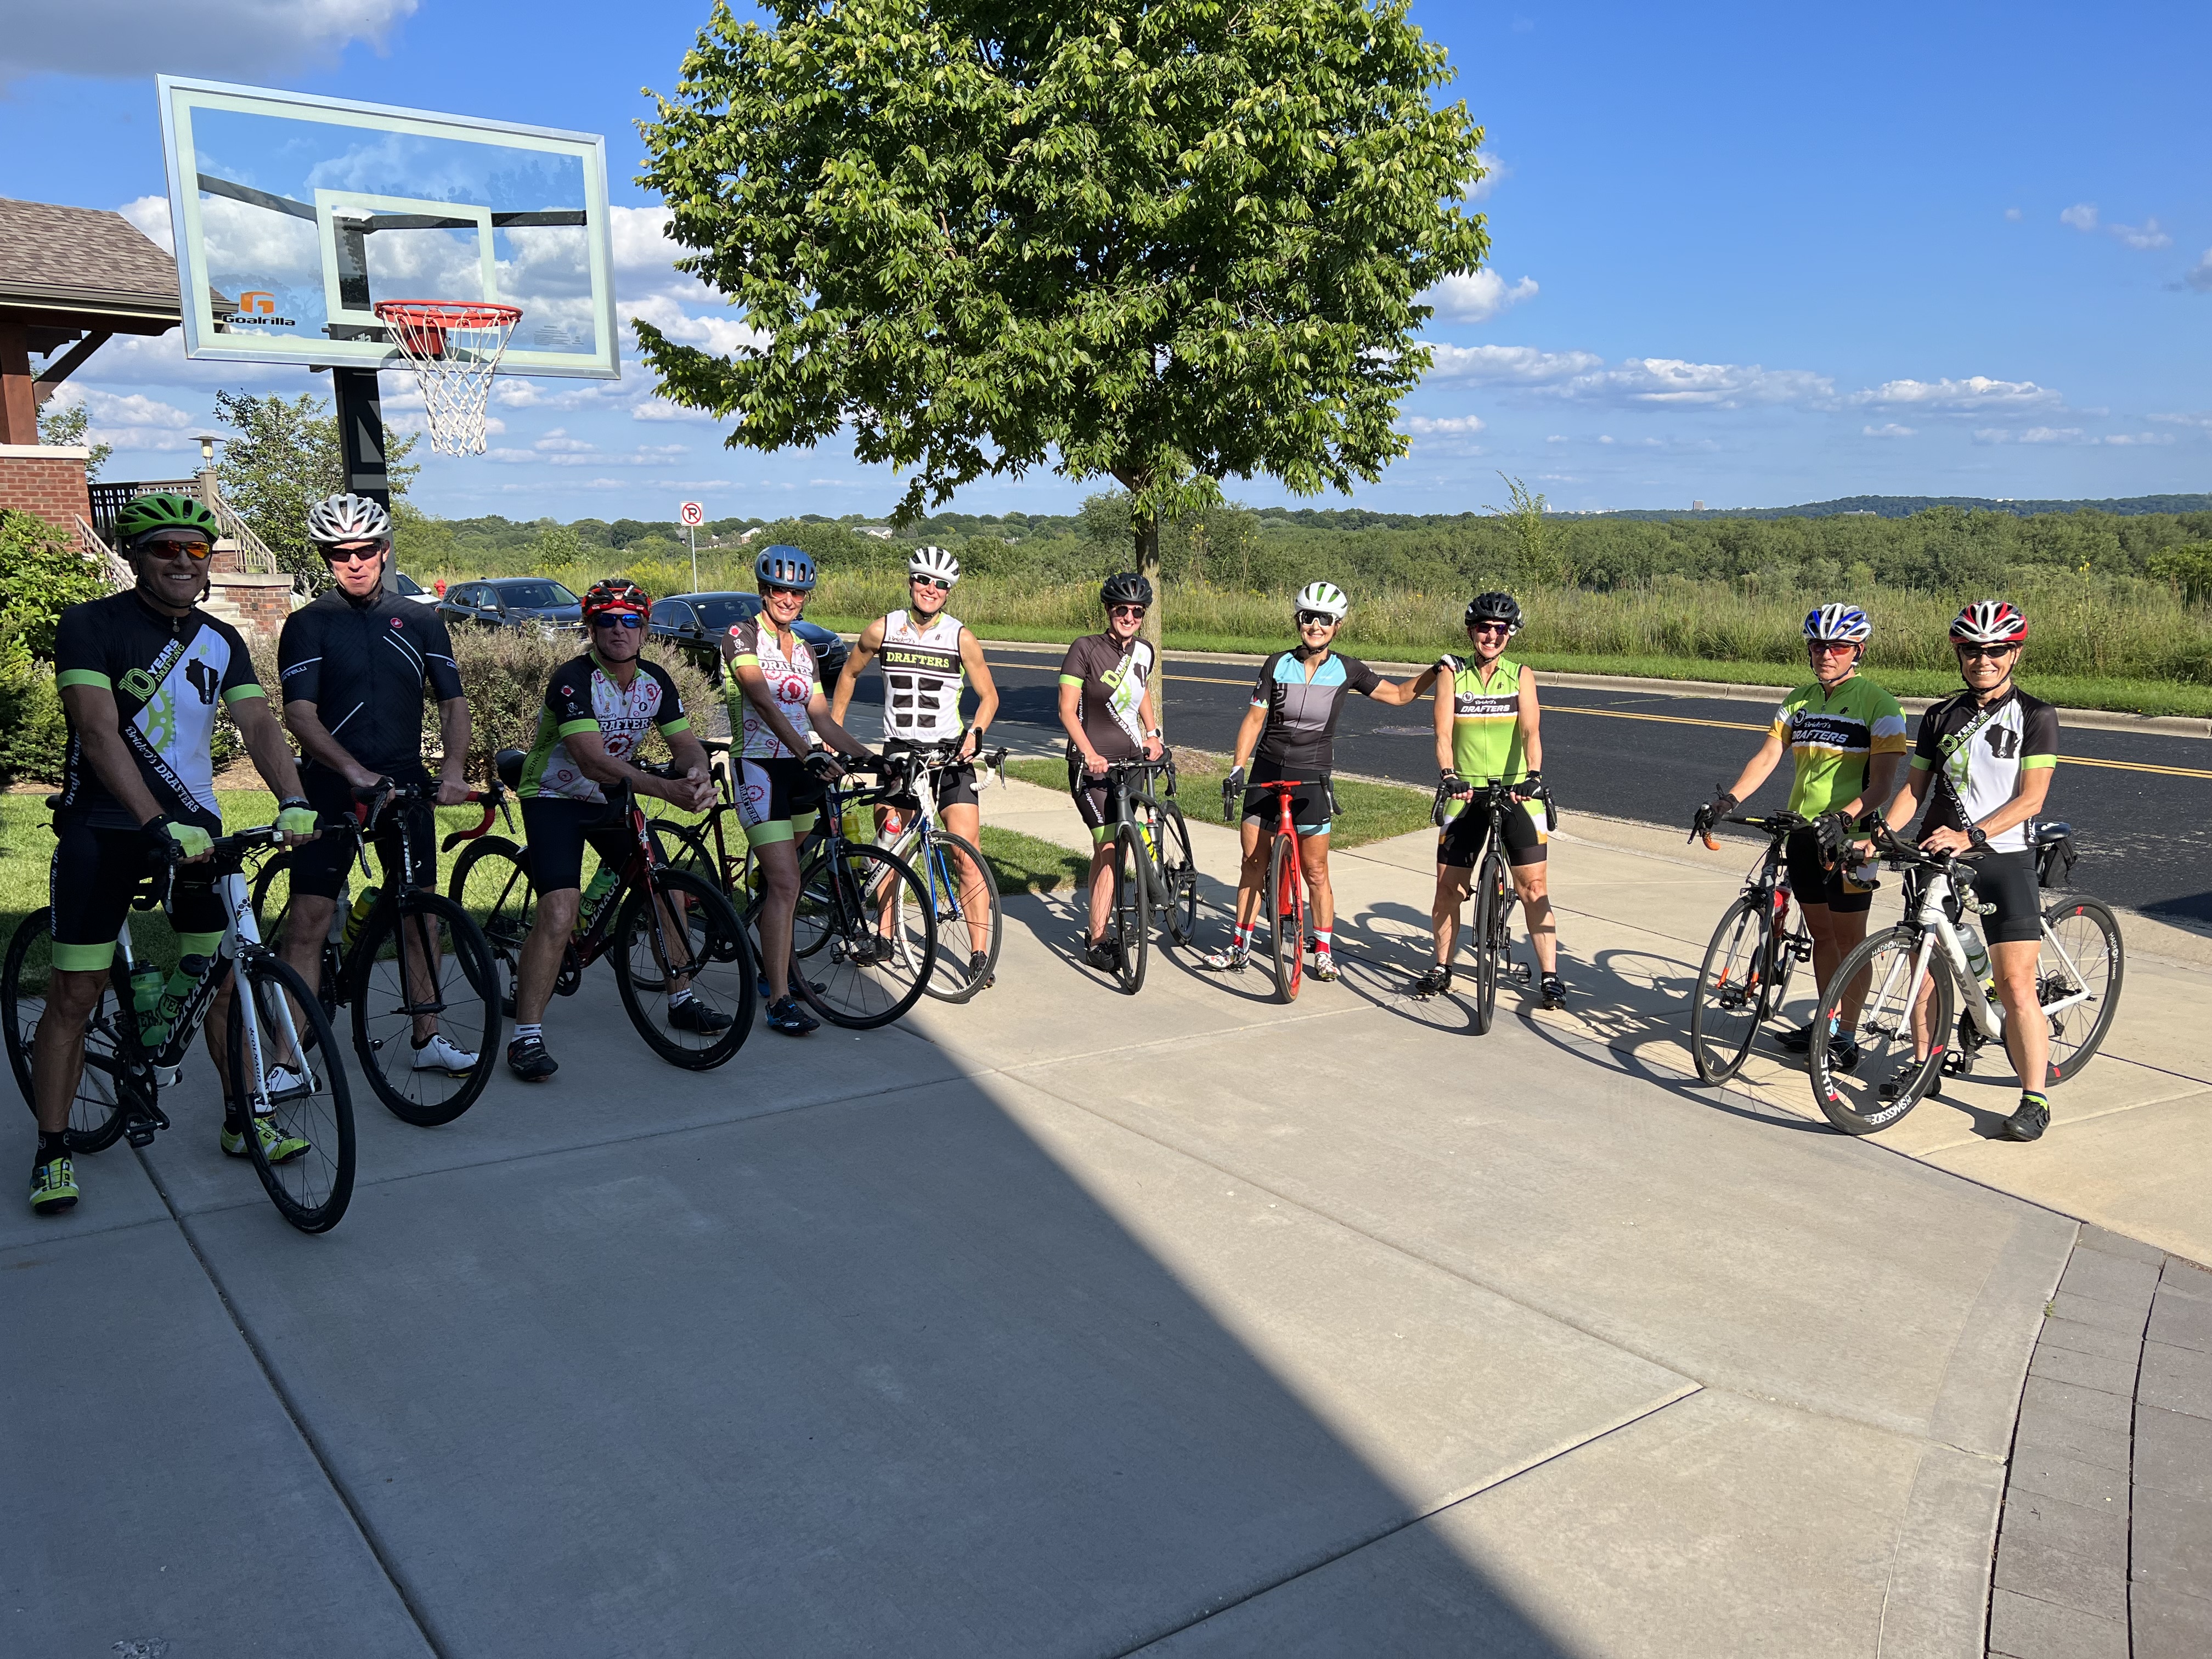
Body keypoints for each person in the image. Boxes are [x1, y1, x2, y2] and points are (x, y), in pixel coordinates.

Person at [28, 493, 319, 1216]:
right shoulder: (90, 625)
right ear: (135, 556)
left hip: (196, 831)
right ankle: (53, 1148)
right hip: (105, 828)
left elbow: (257, 722)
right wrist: (154, 821)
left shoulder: (221, 638)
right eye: (166, 548)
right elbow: (97, 731)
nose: (185, 561)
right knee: (75, 995)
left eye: (197, 549)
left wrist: (292, 797)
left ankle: (242, 1118)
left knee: (223, 981)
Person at [275, 493, 476, 1075]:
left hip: (404, 781)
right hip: (331, 785)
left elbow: (453, 702)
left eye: (365, 551)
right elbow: (300, 714)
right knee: (309, 919)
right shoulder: (308, 624)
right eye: (340, 554)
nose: (355, 562)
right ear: (327, 558)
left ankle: (427, 1037)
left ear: (385, 550)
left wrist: (454, 770)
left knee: (421, 913)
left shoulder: (421, 619)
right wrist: (351, 771)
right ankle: (287, 1060)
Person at [506, 579, 724, 1080]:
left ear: (645, 630)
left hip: (609, 796)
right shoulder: (573, 679)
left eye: (630, 621)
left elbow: (685, 744)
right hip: (555, 797)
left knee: (665, 891)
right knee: (559, 911)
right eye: (607, 620)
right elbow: (591, 760)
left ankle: (681, 999)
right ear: (591, 629)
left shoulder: (655, 681)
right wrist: (665, 790)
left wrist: (697, 773)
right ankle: (526, 1036)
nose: (619, 630)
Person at [1694, 603, 1907, 1069]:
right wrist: (1728, 801)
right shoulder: (1799, 700)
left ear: (1858, 651)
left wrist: (1843, 818)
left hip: (1850, 840)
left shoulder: (1880, 705)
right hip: (1803, 835)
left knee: (1850, 941)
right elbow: (1767, 757)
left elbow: (1882, 786)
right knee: (1824, 937)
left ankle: (1846, 1036)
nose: (1826, 654)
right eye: (1817, 646)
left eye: (1838, 647)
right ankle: (1827, 1021)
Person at [1199, 582, 1441, 981]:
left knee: (1315, 871)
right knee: (1253, 864)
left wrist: (1436, 670)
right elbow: (1255, 719)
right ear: (1299, 620)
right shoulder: (1276, 664)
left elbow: (1399, 696)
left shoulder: (1347, 669)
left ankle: (1324, 951)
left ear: (1337, 625)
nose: (1315, 626)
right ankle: (1239, 947)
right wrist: (1237, 767)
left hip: (1311, 777)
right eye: (1308, 617)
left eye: (1324, 619)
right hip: (1267, 772)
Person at [1881, 601, 2059, 1142]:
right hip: (1938, 853)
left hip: (2002, 856)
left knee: (2016, 984)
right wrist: (1880, 834)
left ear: (2014, 654)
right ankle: (1925, 1064)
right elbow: (1914, 790)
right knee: (1924, 964)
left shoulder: (2036, 715)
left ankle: (2034, 1097)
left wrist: (1972, 836)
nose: (1984, 660)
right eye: (1972, 651)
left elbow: (2032, 799)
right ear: (1959, 655)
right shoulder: (1940, 716)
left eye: (1996, 650)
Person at [830, 544, 1002, 988]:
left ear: (948, 592)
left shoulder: (961, 637)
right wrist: (833, 729)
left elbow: (989, 696)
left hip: (950, 758)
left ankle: (979, 954)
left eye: (940, 584)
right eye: (924, 580)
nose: (931, 589)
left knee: (966, 854)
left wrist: (975, 734)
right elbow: (848, 674)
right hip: (900, 756)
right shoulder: (883, 629)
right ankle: (884, 937)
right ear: (911, 582)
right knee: (891, 851)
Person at [724, 545, 876, 1036]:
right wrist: (805, 751)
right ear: (763, 591)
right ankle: (780, 1000)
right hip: (759, 769)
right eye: (779, 590)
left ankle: (776, 968)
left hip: (801, 771)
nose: (788, 599)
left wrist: (871, 757)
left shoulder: (806, 651)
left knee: (780, 884)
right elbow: (762, 701)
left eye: (797, 592)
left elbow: (820, 719)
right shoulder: (741, 635)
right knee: (788, 884)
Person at [1413, 591, 1567, 1007]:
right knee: (1448, 888)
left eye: (1501, 629)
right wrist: (1448, 775)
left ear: (1510, 634)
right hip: (1465, 791)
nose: (1492, 636)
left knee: (1534, 888)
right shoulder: (1453, 675)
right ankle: (1442, 966)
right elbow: (1443, 734)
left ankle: (1550, 976)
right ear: (1471, 631)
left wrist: (1534, 776)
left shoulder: (1520, 675)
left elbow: (1531, 732)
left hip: (1517, 790)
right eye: (1484, 628)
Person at [1057, 573, 1164, 970]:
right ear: (1108, 610)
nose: (1129, 617)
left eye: (1137, 611)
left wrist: (1152, 734)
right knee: (1107, 847)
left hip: (1130, 762)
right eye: (1122, 609)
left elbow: (1141, 691)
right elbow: (1067, 710)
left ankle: (1111, 916)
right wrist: (1089, 753)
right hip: (1092, 768)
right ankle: (1097, 939)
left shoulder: (1145, 651)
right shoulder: (1084, 649)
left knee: (1121, 845)